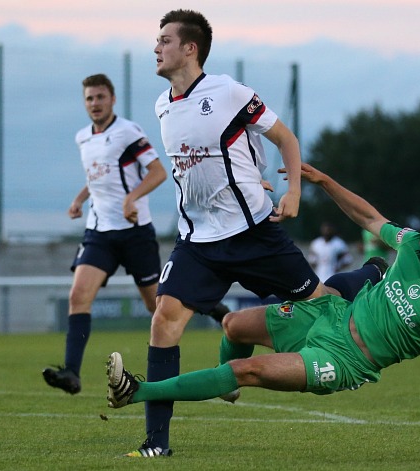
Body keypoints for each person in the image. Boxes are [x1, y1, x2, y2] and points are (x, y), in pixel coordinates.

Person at [119, 9, 386, 458]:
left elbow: (286, 139)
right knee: (164, 319)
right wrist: (249, 176)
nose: (156, 47)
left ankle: (372, 272)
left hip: (253, 234)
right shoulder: (161, 104)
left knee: (322, 301)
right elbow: (208, 161)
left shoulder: (228, 92)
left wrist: (294, 190)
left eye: (164, 39)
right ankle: (156, 445)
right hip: (198, 241)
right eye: (156, 39)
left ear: (190, 48)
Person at [106, 162, 420, 463]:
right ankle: (228, 387)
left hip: (346, 360)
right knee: (234, 325)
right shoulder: (412, 247)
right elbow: (370, 218)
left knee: (249, 368)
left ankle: (136, 391)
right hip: (331, 314)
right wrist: (324, 182)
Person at [42, 73, 167, 395]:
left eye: (100, 97)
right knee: (78, 296)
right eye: (89, 98)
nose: (94, 103)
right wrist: (79, 200)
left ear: (112, 99)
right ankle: (71, 372)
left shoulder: (128, 131)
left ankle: (169, 371)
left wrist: (131, 199)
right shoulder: (83, 137)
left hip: (135, 232)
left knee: (159, 308)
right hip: (99, 232)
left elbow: (158, 172)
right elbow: (98, 176)